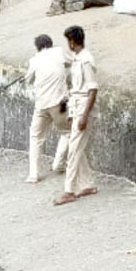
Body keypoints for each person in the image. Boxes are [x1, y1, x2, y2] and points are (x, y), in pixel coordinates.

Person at [54, 26, 98, 206]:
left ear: (72, 41)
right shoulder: (78, 59)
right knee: (77, 148)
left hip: (83, 108)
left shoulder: (86, 60)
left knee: (73, 150)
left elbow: (92, 89)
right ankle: (87, 184)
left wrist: (84, 116)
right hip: (77, 106)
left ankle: (69, 190)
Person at [24, 34, 71, 183]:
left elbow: (28, 80)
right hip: (59, 104)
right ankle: (58, 163)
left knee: (36, 137)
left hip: (41, 105)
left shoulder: (34, 60)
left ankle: (33, 174)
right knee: (67, 132)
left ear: (37, 47)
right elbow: (70, 63)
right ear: (50, 44)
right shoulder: (59, 52)